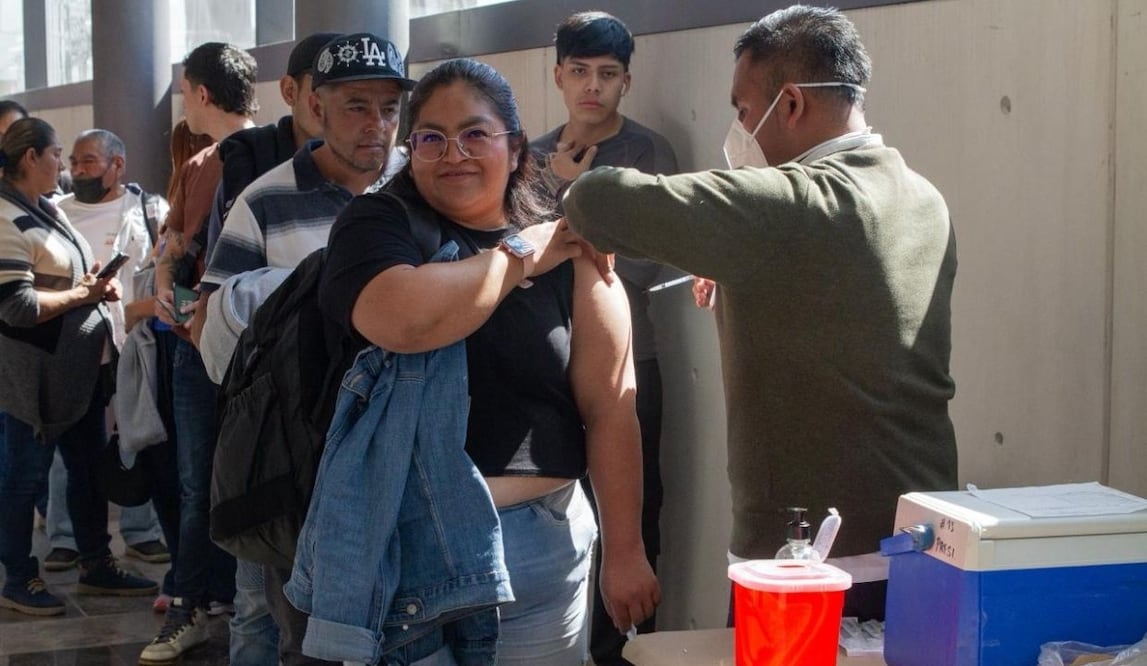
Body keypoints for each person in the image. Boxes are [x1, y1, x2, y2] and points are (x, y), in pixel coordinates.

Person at [563, 4, 959, 622]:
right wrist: (737, 260)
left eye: (744, 111)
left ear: (792, 104)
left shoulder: (794, 201)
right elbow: (846, 299)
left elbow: (597, 200)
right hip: (923, 539)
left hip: (812, 561)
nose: (740, 129)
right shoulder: (922, 198)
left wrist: (570, 175)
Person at [308, 57, 658, 665]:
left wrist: (626, 550)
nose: (454, 154)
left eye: (475, 134)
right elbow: (404, 318)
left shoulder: (571, 243)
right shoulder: (377, 225)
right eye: (431, 139)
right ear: (409, 150)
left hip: (539, 552)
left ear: (516, 145)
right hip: (402, 548)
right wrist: (522, 254)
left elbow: (610, 405)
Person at [196, 32, 412, 666]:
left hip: (409, 464)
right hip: (303, 478)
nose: (378, 125)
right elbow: (212, 331)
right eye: (357, 106)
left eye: (390, 108)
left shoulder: (424, 186)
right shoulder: (263, 201)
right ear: (315, 106)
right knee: (305, 642)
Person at [531, 12, 679, 664]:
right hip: (544, 368)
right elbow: (512, 269)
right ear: (558, 74)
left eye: (608, 74)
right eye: (581, 71)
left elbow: (648, 263)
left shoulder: (646, 153)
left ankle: (624, 654)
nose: (593, 86)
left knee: (632, 528)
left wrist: (565, 201)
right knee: (555, 523)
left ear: (626, 81)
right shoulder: (529, 155)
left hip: (626, 367)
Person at [190, 32, 337, 666]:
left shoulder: (406, 183)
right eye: (337, 100)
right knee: (261, 594)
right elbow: (216, 312)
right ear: (296, 93)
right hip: (276, 426)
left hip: (355, 440)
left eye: (382, 106)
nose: (361, 121)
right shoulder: (255, 176)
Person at [0, 117, 158, 616]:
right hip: (33, 382)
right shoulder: (5, 216)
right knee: (24, 479)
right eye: (57, 155)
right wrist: (82, 295)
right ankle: (19, 577)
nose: (64, 166)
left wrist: (93, 284)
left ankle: (96, 563)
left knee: (88, 471)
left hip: (76, 376)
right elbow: (16, 307)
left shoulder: (45, 209)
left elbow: (60, 275)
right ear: (30, 158)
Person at [142, 41, 258, 663]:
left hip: (234, 344)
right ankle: (207, 593)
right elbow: (175, 245)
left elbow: (179, 250)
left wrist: (172, 290)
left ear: (202, 93)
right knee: (209, 478)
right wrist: (167, 288)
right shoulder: (210, 160)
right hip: (206, 338)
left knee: (209, 480)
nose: (184, 102)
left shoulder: (260, 156)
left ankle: (196, 601)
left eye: (185, 91)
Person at [44, 129, 174, 587]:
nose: (78, 170)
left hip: (135, 344)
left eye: (89, 161)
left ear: (118, 165)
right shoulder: (54, 212)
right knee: (75, 449)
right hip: (77, 350)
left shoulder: (148, 209)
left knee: (137, 434)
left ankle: (140, 530)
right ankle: (66, 538)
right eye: (74, 162)